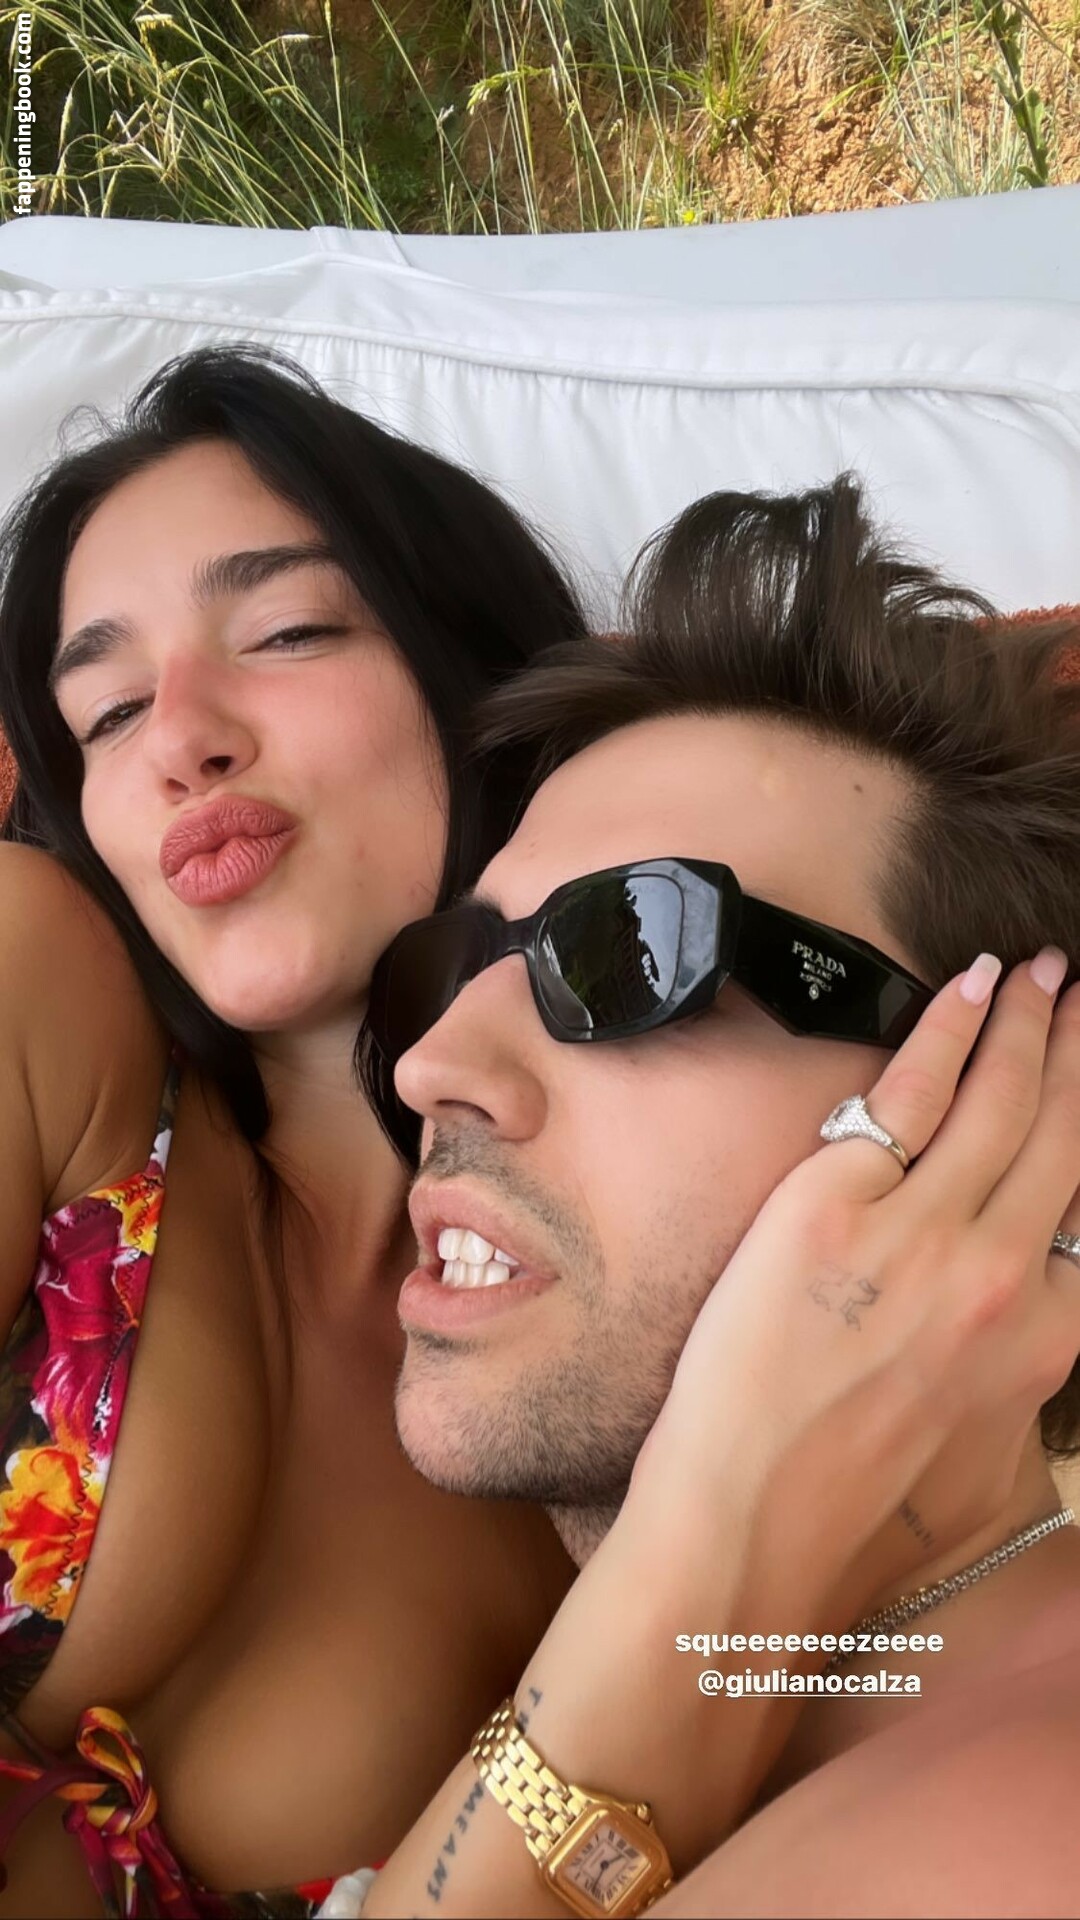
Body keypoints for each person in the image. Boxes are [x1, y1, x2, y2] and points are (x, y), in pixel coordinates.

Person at [322, 477, 1080, 1917]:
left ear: (1019, 1114)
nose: (428, 1067)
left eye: (629, 953)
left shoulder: (1023, 1840)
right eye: (455, 967)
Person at [0, 344, 581, 1915]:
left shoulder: (626, 1369)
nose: (179, 739)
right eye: (108, 710)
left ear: (473, 671)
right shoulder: (32, 984)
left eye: (285, 632)